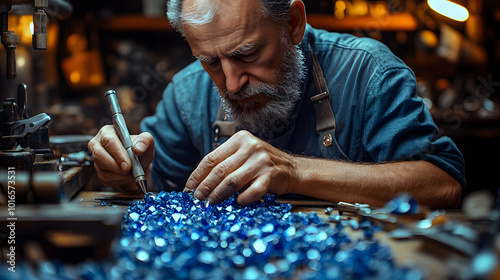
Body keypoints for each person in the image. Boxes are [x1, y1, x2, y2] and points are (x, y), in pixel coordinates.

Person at [88, 0, 465, 208]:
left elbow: (442, 184)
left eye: (248, 53)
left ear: (293, 24)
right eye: (212, 62)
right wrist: (126, 169)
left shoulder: (368, 73)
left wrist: (295, 170)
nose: (232, 84)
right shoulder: (188, 92)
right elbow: (153, 186)